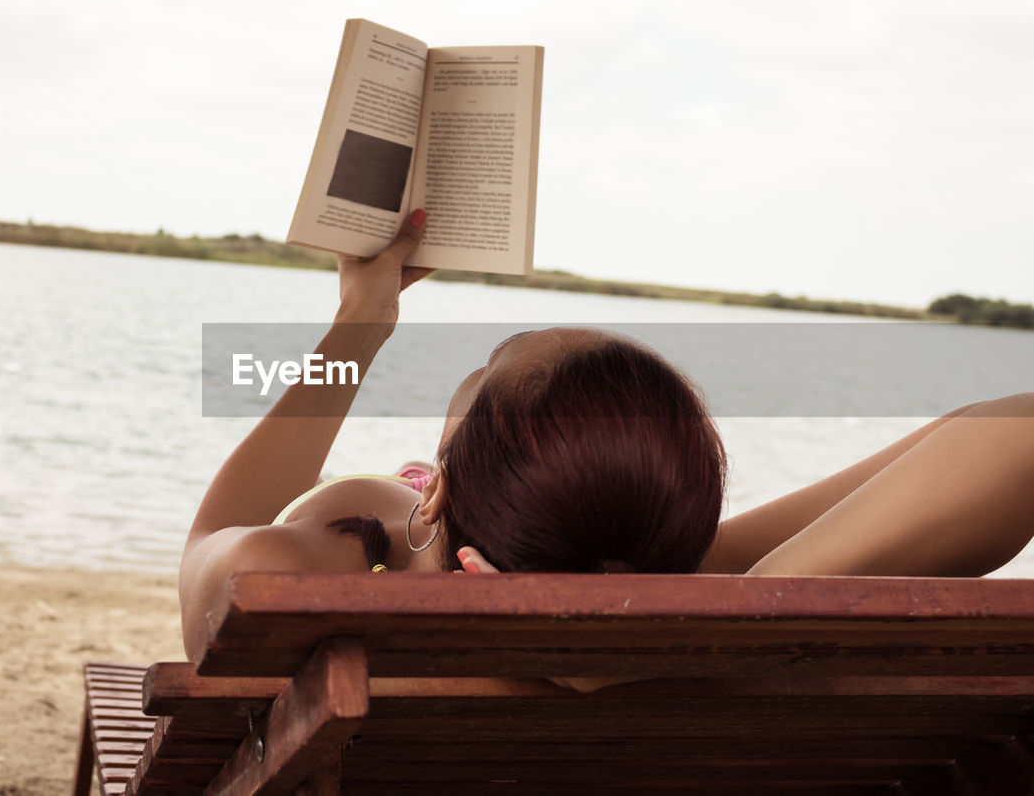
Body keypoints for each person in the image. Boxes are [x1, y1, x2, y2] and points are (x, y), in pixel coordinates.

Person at [179, 210, 1034, 663]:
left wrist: (361, 324)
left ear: (437, 486)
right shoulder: (685, 579)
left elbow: (209, 553)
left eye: (487, 373)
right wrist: (699, 618)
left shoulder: (333, 559)